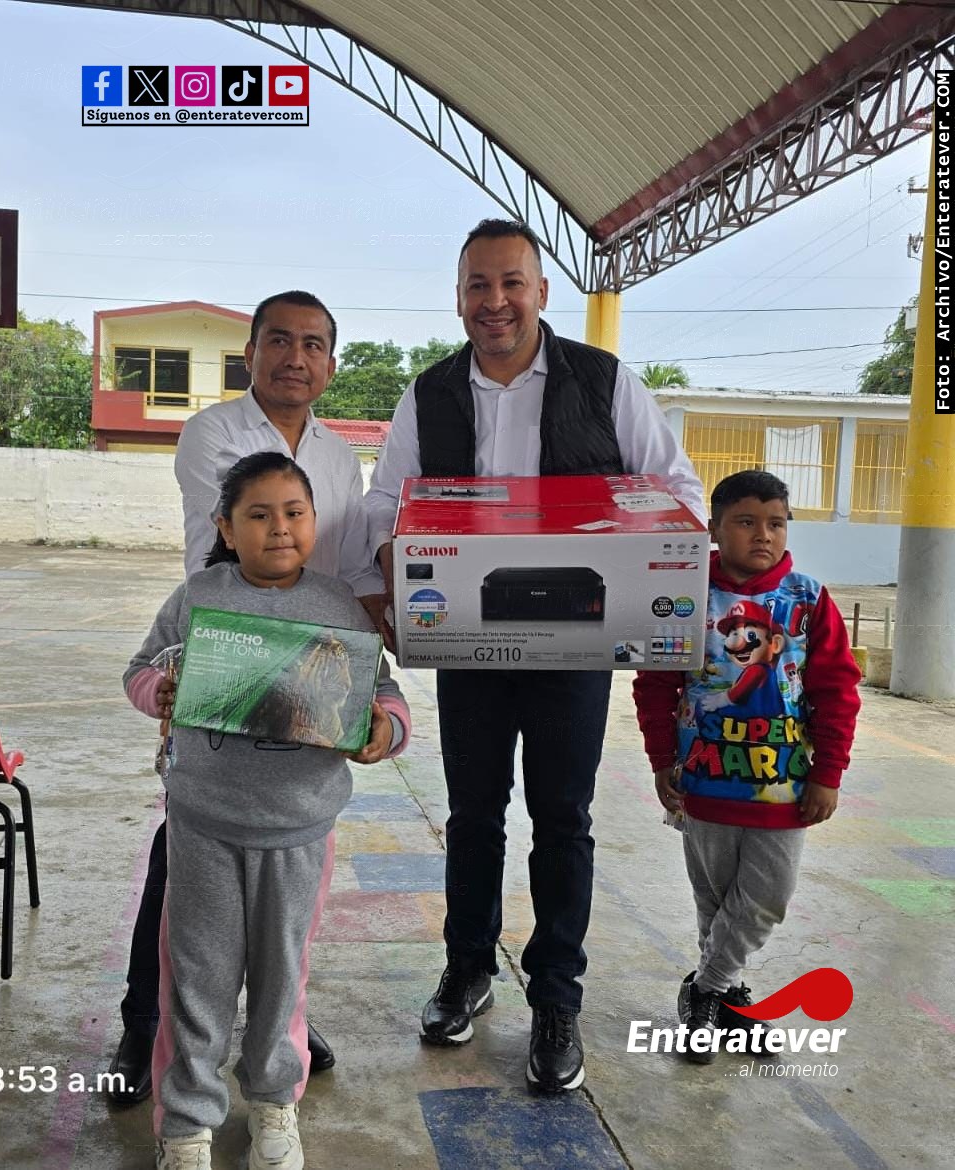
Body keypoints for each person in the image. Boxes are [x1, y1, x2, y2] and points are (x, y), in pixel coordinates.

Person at [364, 219, 705, 1093]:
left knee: (562, 819)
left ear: (542, 292)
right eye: (478, 285)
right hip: (469, 642)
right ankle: (467, 970)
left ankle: (556, 997)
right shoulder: (429, 394)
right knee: (473, 816)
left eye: (511, 282)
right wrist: (394, 583)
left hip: (573, 643)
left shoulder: (604, 381)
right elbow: (384, 503)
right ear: (458, 298)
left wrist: (640, 567)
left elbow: (678, 492)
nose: (496, 302)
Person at [108, 291, 384, 1104]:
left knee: (289, 877)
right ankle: (144, 1023)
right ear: (252, 352)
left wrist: (367, 660)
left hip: (310, 671)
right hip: (226, 657)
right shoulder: (214, 432)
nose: (296, 358)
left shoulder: (340, 457)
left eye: (314, 344)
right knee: (188, 861)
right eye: (279, 341)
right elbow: (237, 536)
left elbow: (342, 563)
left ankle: (280, 1023)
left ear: (331, 361)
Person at [125, 452, 410, 1170]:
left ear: (313, 522)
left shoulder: (339, 605)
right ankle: (186, 1122)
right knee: (196, 979)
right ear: (226, 527)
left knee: (283, 979)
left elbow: (384, 694)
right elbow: (140, 669)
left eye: (294, 512)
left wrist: (385, 730)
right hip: (203, 826)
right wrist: (158, 689)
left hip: (300, 831)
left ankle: (274, 1100)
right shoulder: (198, 596)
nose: (278, 528)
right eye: (258, 515)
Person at [631, 470, 861, 1063]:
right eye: (746, 522)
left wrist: (828, 773)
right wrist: (661, 760)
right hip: (703, 780)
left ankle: (703, 990)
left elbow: (837, 691)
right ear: (714, 528)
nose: (764, 534)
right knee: (714, 899)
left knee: (765, 899)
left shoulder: (808, 599)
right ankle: (729, 1003)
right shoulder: (685, 595)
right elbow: (655, 684)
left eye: (776, 523)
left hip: (783, 787)